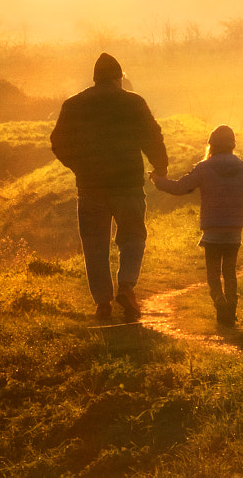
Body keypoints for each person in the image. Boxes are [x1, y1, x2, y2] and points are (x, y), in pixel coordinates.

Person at [50, 53, 168, 322]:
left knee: (94, 245)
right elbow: (152, 135)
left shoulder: (74, 105)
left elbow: (58, 142)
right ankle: (126, 287)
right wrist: (160, 166)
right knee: (133, 237)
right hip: (128, 185)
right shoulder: (133, 102)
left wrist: (79, 167)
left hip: (90, 188)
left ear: (95, 78)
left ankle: (103, 304)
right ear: (119, 78)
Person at [151, 125, 243, 327]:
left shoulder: (204, 168)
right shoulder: (242, 166)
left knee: (213, 274)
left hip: (212, 230)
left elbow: (179, 188)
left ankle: (220, 303)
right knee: (230, 271)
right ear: (233, 145)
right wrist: (240, 197)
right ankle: (230, 311)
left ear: (211, 144)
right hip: (234, 231)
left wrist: (158, 180)